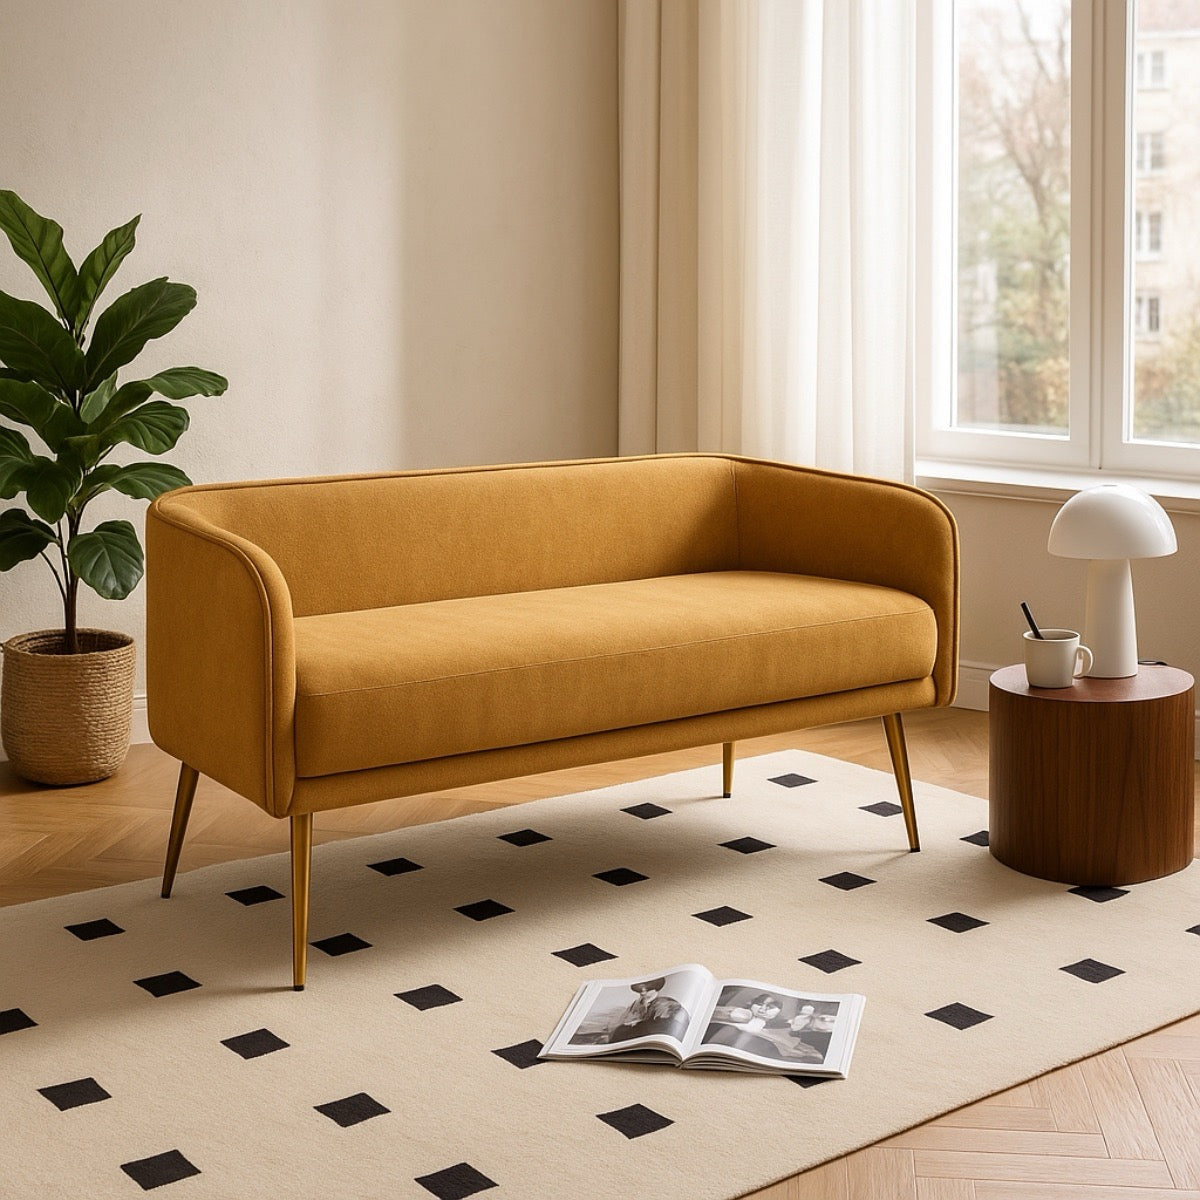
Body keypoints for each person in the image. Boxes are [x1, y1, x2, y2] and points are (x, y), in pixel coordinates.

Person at [605, 977, 689, 1042]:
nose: (642, 993)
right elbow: (625, 1019)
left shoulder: (665, 1003)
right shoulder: (636, 1004)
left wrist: (636, 1023)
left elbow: (663, 1026)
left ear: (656, 989)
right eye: (640, 990)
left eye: (647, 990)